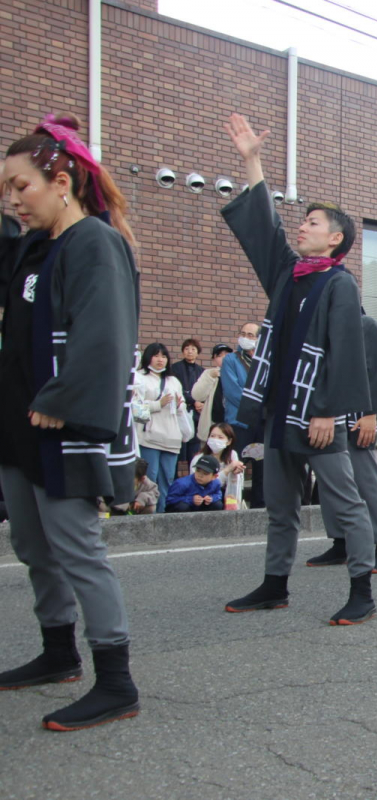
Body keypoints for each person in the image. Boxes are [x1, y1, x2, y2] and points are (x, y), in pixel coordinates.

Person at [0, 114, 141, 730]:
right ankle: (58, 653)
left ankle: (116, 681)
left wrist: (62, 398)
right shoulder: (34, 248)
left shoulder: (94, 243)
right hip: (19, 424)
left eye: (21, 186)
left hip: (64, 423)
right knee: (33, 546)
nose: (13, 200)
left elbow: (105, 336)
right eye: (6, 189)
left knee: (78, 549)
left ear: (62, 183)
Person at [219, 112, 377, 625]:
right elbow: (264, 230)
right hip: (279, 411)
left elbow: (346, 353)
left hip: (317, 415)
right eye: (303, 220)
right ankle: (274, 585)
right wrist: (253, 163)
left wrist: (329, 410)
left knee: (346, 502)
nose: (302, 226)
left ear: (335, 239)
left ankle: (362, 590)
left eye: (312, 223)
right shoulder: (289, 273)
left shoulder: (340, 284)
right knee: (280, 505)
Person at [306, 313, 377, 574]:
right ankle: (341, 543)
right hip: (326, 416)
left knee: (367, 481)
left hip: (356, 417)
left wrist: (371, 414)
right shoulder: (320, 325)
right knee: (328, 484)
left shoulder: (365, 324)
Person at [134, 343, 186, 514]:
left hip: (171, 437)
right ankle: (150, 514)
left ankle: (163, 514)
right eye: (156, 355)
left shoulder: (173, 380)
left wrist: (179, 406)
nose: (160, 360)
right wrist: (158, 404)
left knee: (167, 479)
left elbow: (182, 408)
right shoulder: (139, 377)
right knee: (151, 477)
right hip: (149, 437)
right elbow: (135, 407)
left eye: (163, 356)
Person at [222, 322, 265, 508]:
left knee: (262, 466)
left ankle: (260, 506)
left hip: (261, 423)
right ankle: (232, 504)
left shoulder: (264, 361)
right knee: (237, 464)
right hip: (239, 422)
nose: (245, 338)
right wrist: (258, 406)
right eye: (243, 333)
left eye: (250, 335)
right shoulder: (231, 360)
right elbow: (232, 391)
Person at [170, 338, 205, 467]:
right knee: (177, 449)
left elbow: (206, 391)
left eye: (193, 349)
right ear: (182, 351)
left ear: (197, 353)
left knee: (194, 451)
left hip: (196, 416)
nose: (190, 351)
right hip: (180, 412)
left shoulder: (201, 371)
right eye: (186, 349)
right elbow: (176, 390)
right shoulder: (175, 368)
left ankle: (194, 474)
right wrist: (194, 400)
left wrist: (202, 403)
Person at [192, 343, 232, 439]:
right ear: (214, 359)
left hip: (230, 425)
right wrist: (210, 377)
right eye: (219, 355)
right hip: (212, 424)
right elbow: (197, 395)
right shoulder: (208, 373)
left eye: (227, 355)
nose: (224, 358)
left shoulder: (236, 373)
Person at [190, 422, 243, 489]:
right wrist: (227, 470)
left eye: (220, 437)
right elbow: (207, 486)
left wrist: (237, 470)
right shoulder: (199, 458)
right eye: (212, 436)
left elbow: (235, 481)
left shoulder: (232, 454)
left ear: (229, 441)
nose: (215, 440)